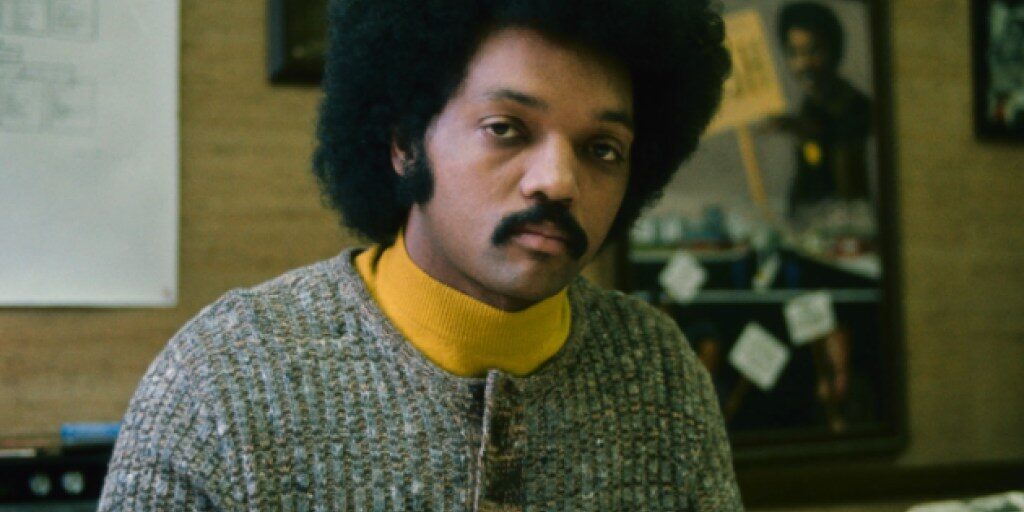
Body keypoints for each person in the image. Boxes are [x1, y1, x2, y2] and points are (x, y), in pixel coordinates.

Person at [98, 0, 741, 509]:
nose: (558, 181)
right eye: (506, 128)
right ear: (405, 144)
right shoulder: (225, 376)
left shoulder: (658, 372)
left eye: (602, 148)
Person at [770, 2, 873, 221]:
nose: (803, 64)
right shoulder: (811, 106)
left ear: (834, 51)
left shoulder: (856, 107)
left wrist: (812, 133)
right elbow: (811, 172)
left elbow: (849, 188)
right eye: (794, 53)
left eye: (814, 51)